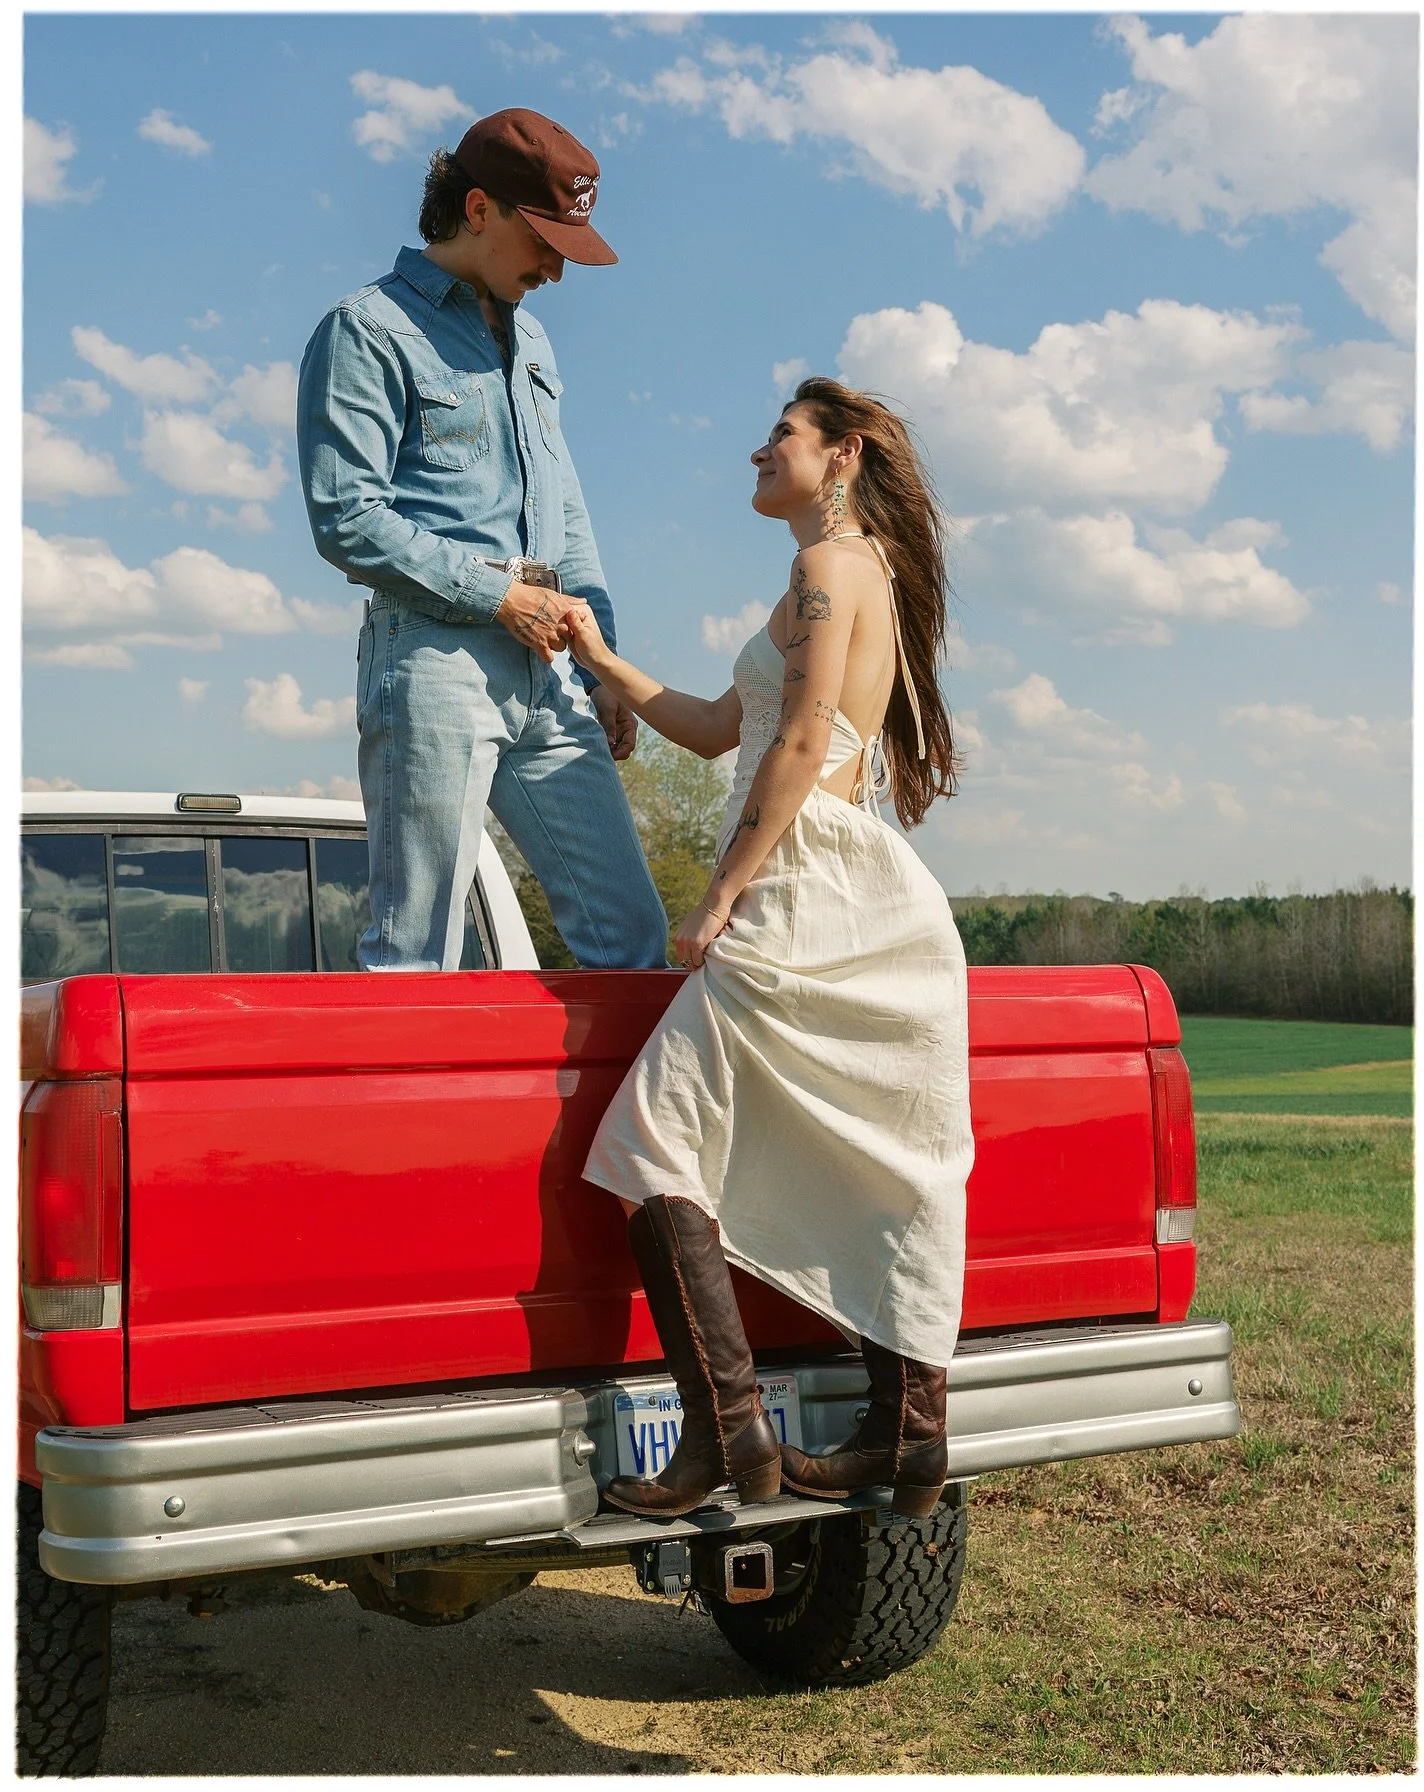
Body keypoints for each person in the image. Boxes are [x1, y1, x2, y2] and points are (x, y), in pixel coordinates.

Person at [563, 377, 974, 1519]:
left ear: (839, 456)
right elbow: (713, 731)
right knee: (880, 1164)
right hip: (843, 890)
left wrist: (718, 896)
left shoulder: (828, 571)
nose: (760, 448)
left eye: (782, 435)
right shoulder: (843, 573)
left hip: (802, 891)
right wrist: (602, 654)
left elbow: (798, 744)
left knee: (648, 1143)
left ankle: (730, 1436)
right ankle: (905, 1435)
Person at [297, 108, 668, 971]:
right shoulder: (367, 330)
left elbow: (564, 508)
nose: (555, 269)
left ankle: (618, 1116)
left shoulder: (532, 339)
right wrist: (498, 594)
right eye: (543, 241)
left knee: (633, 941)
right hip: (433, 660)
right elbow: (345, 514)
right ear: (476, 209)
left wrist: (602, 663)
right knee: (416, 949)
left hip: (552, 660)